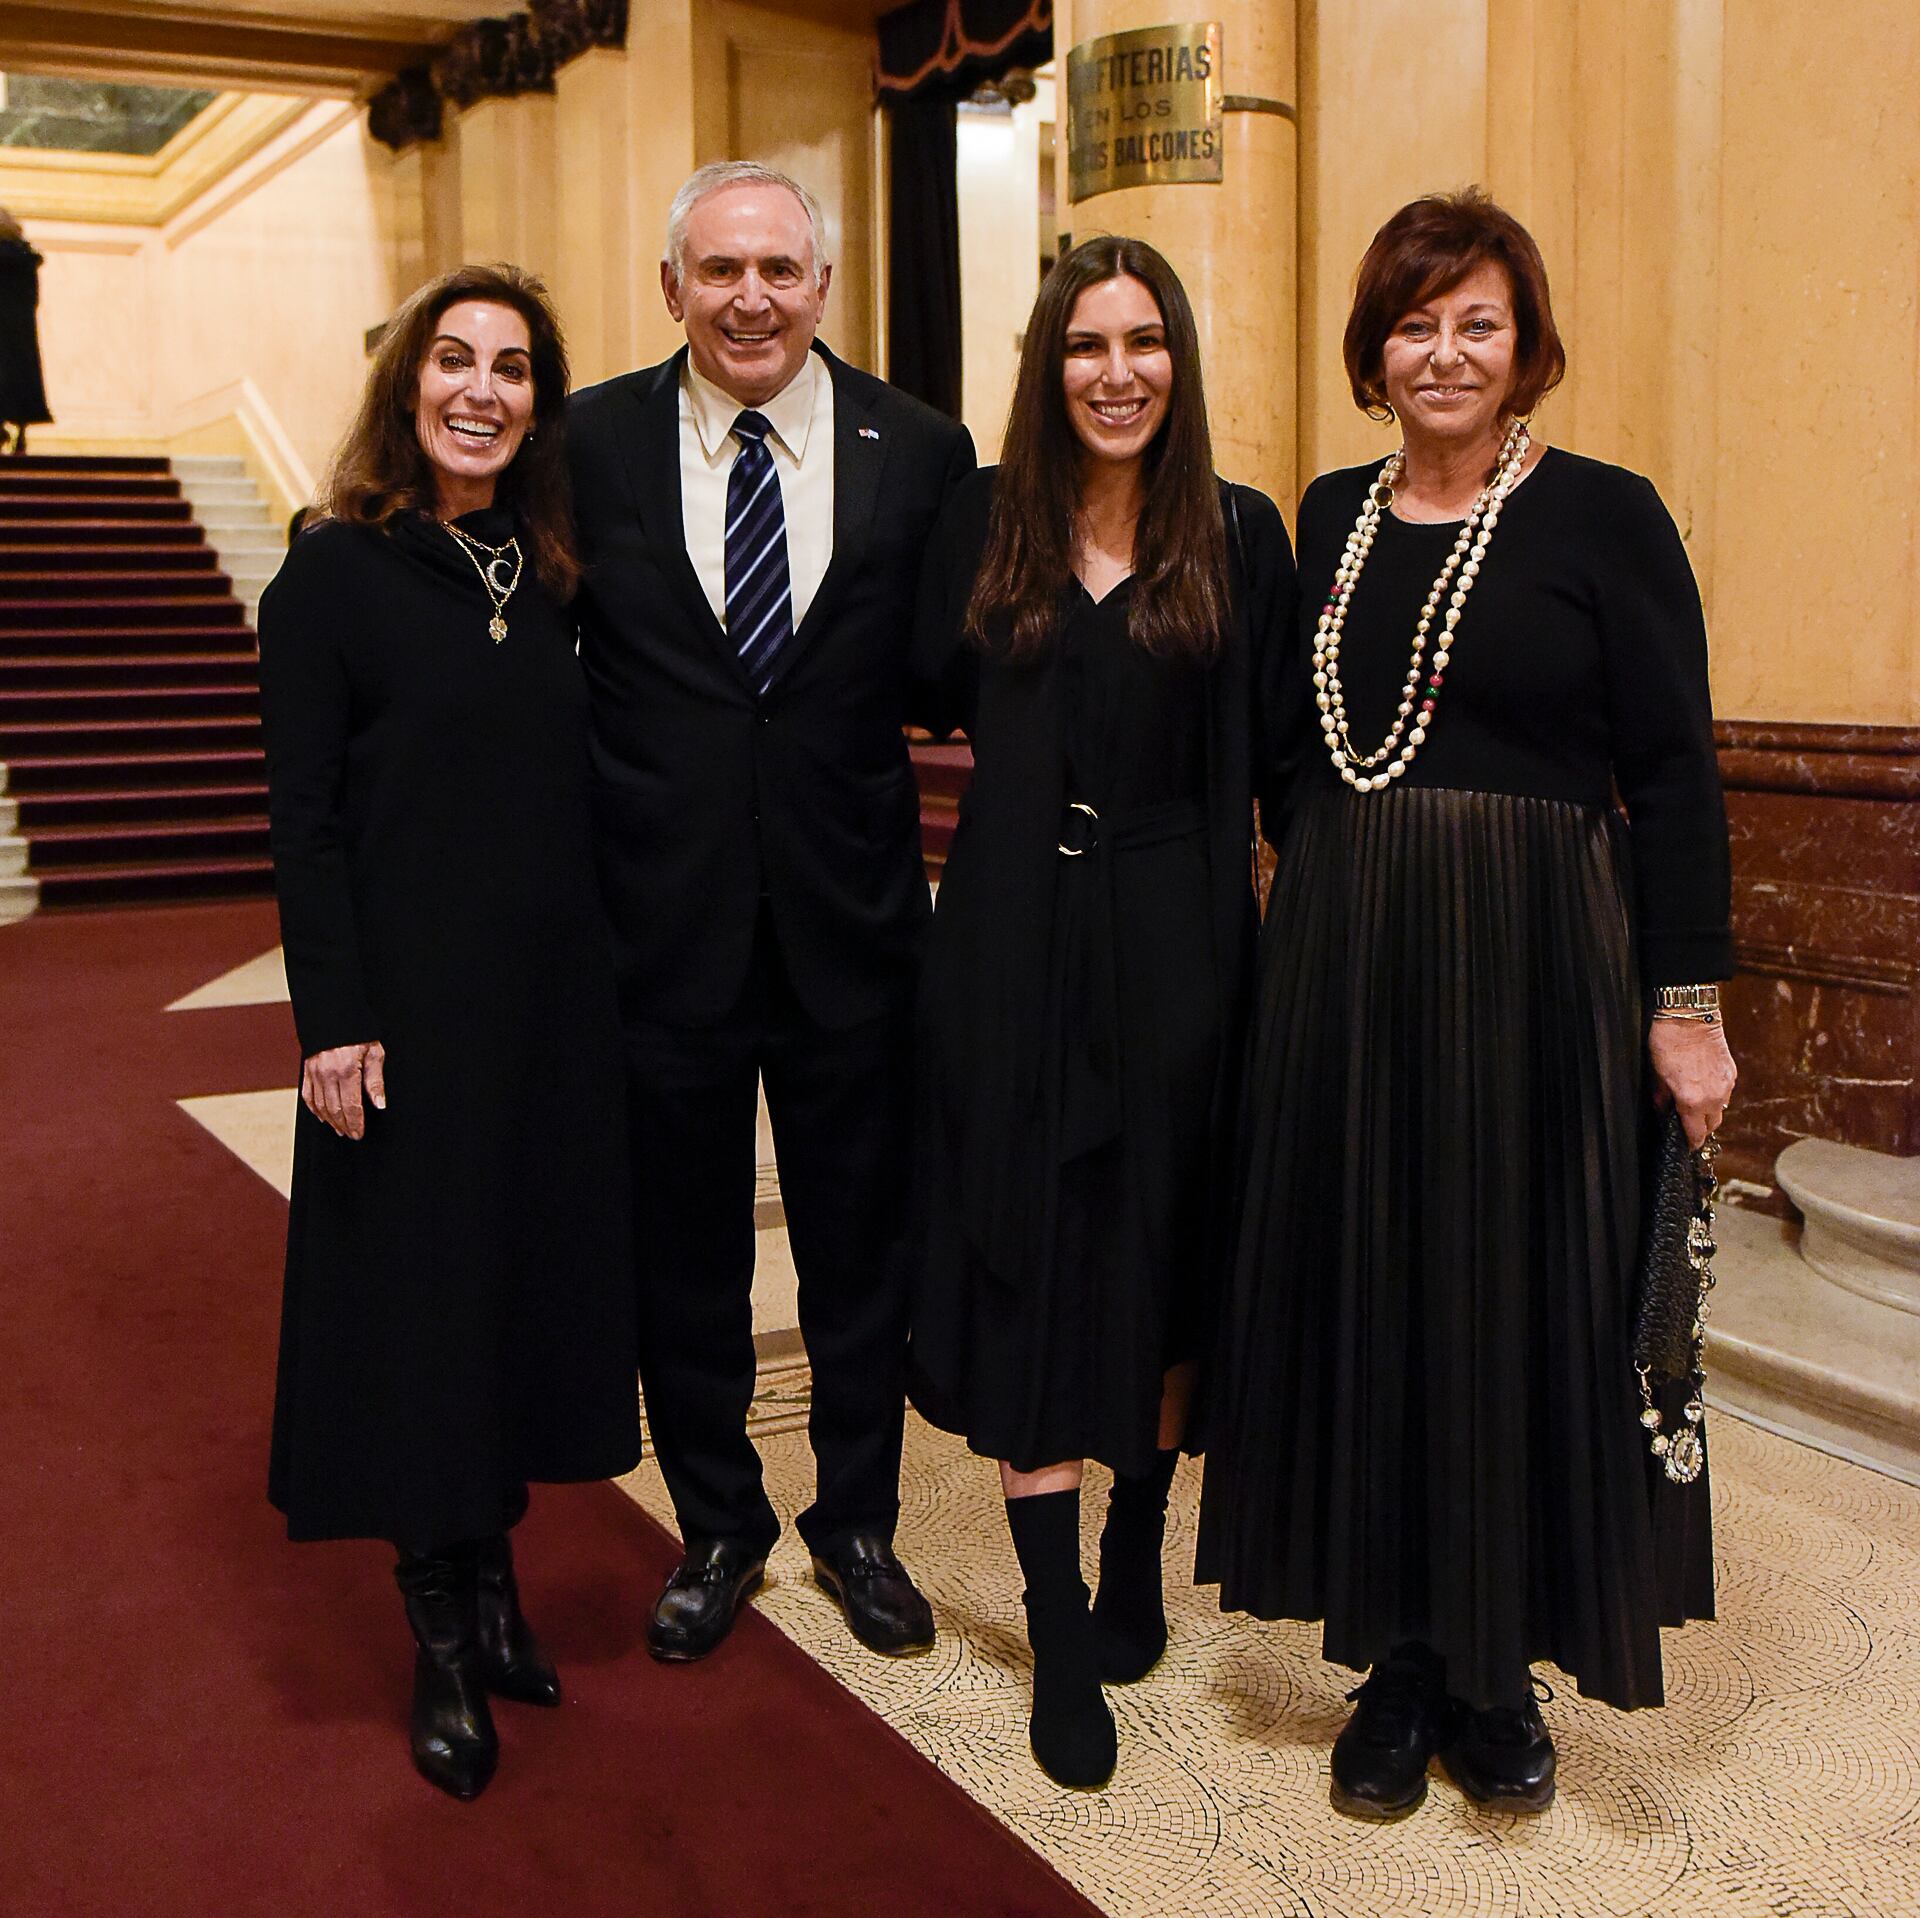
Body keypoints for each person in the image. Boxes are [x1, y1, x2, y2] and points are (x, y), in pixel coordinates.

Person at [1198, 189, 1738, 1819]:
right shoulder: (1330, 511)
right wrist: (1333, 892)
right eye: (1418, 322)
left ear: (1524, 348)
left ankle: (1500, 1669)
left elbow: (1679, 777)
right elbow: (1301, 756)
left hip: (1534, 968)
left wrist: (1686, 1001)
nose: (1445, 350)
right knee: (1374, 1288)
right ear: (1376, 349)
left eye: (1477, 322)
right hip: (1353, 968)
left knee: (1515, 1294)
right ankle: (1398, 1655)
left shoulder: (1605, 516)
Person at [568, 162, 975, 1664]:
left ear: (823, 286)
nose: (751, 296)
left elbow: (953, 673)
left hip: (851, 923)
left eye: (779, 270)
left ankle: (856, 1518)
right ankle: (720, 1519)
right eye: (719, 269)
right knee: (682, 1252)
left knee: (860, 1244)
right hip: (656, 929)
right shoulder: (587, 443)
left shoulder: (923, 451)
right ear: (670, 282)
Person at [909, 237, 1295, 1789]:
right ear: (1045, 361)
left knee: (1161, 1247)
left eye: (1145, 342)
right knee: (1033, 1256)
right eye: (1086, 345)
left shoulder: (1240, 534)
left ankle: (1139, 1535)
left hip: (1180, 939)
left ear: (1178, 361)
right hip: (1007, 935)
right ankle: (1060, 1621)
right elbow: (896, 702)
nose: (1117, 372)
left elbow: (1289, 768)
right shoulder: (981, 520)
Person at [258, 264, 640, 1801]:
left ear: (539, 400)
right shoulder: (332, 573)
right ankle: (436, 1629)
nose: (481, 389)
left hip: (544, 1014)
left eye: (513, 368)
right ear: (408, 381)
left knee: (505, 1294)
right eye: (455, 360)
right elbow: (303, 819)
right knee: (418, 1313)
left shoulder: (546, 569)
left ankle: (495, 1591)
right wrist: (334, 1016)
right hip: (403, 1023)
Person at [0, 207, 53, 454]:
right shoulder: (26, 258)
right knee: (22, 379)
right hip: (20, 328)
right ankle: (21, 436)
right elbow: (33, 297)